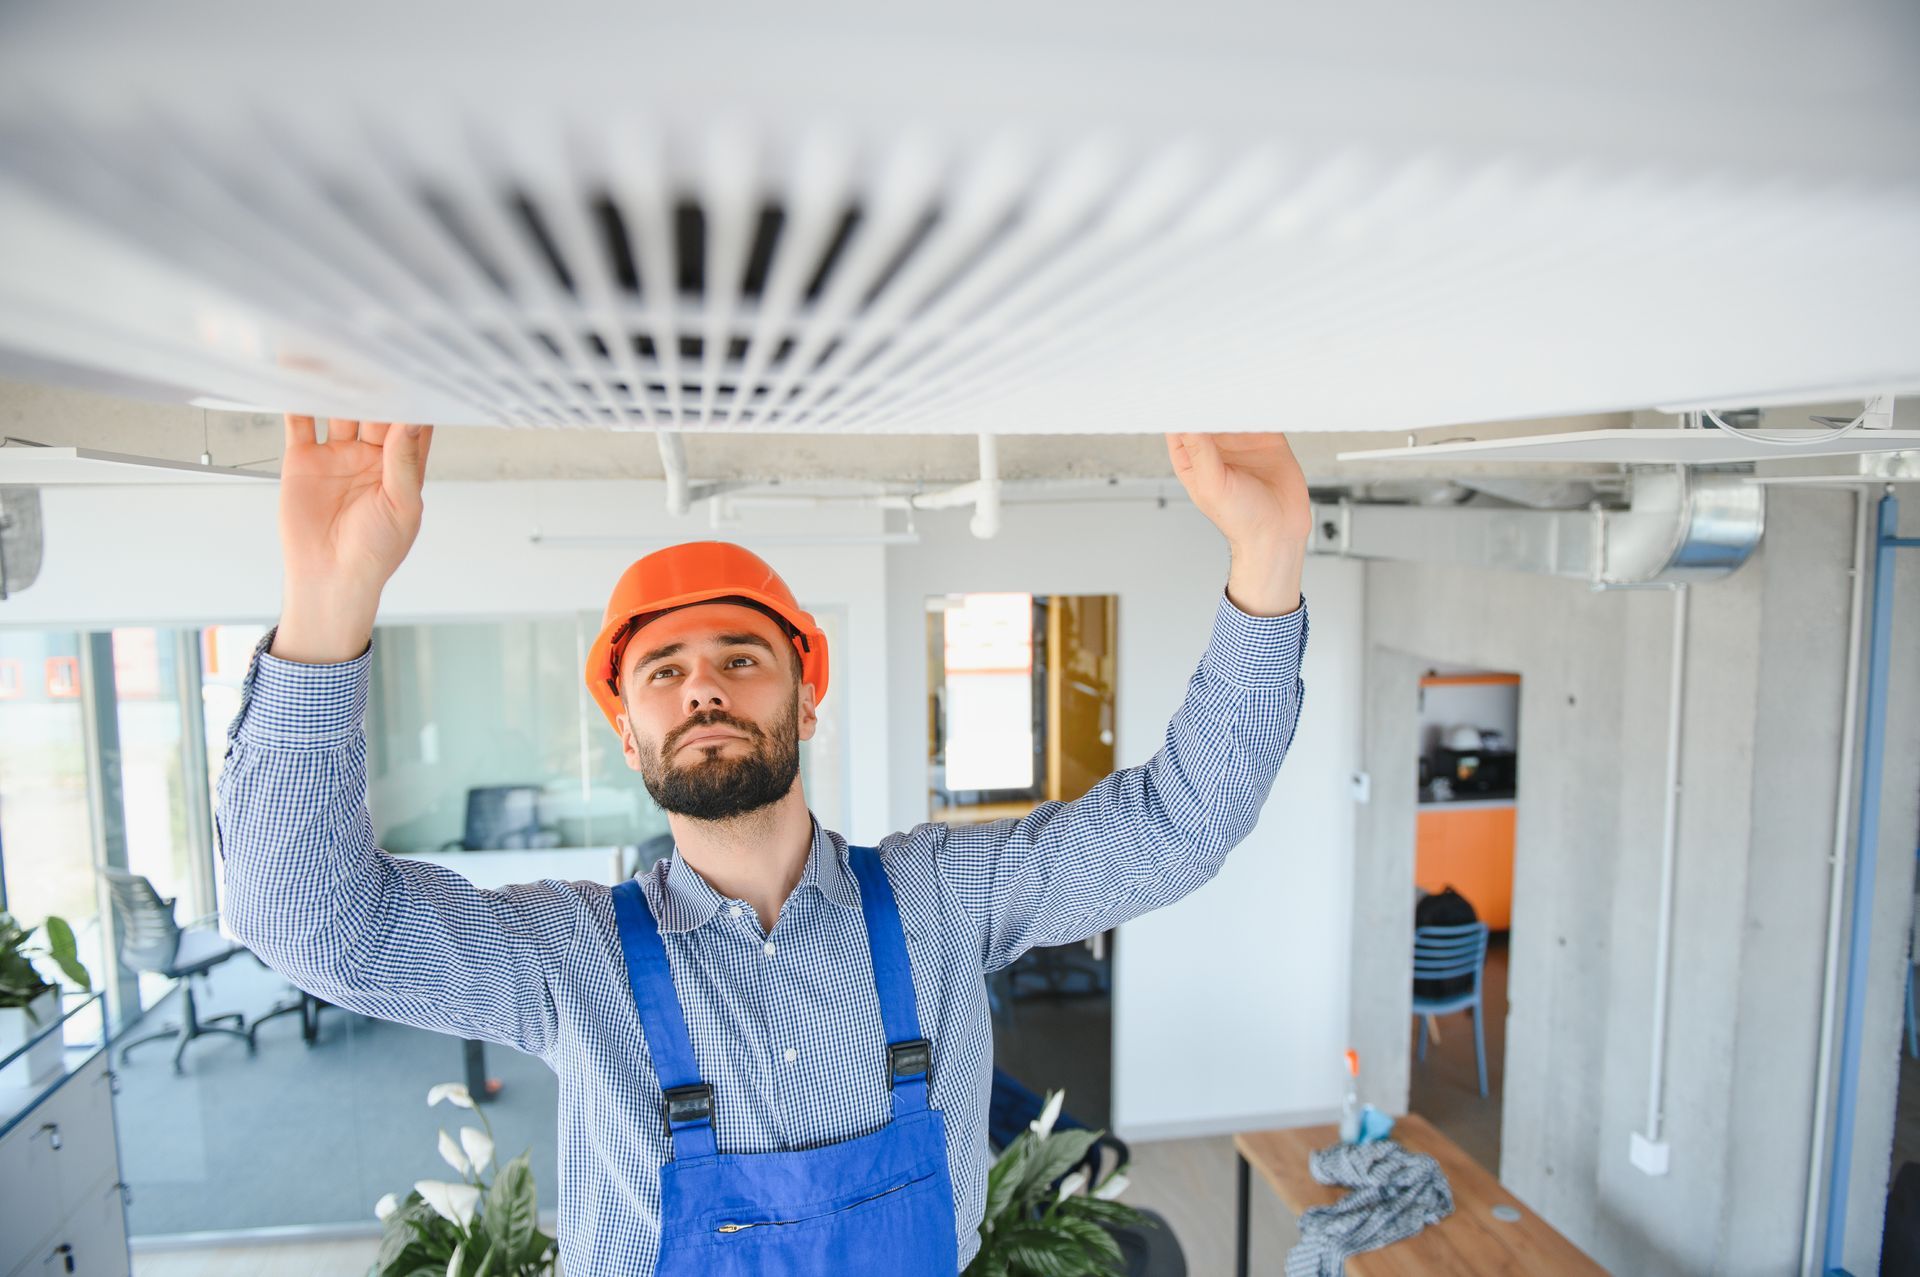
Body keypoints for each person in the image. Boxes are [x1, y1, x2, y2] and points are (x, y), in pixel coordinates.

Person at [217, 415, 1311, 1275]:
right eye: (663, 668)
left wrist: (1268, 552)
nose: (702, 682)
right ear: (628, 729)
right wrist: (330, 599)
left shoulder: (942, 897)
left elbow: (1180, 822)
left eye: (741, 656)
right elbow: (313, 921)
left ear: (806, 694)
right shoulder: (569, 957)